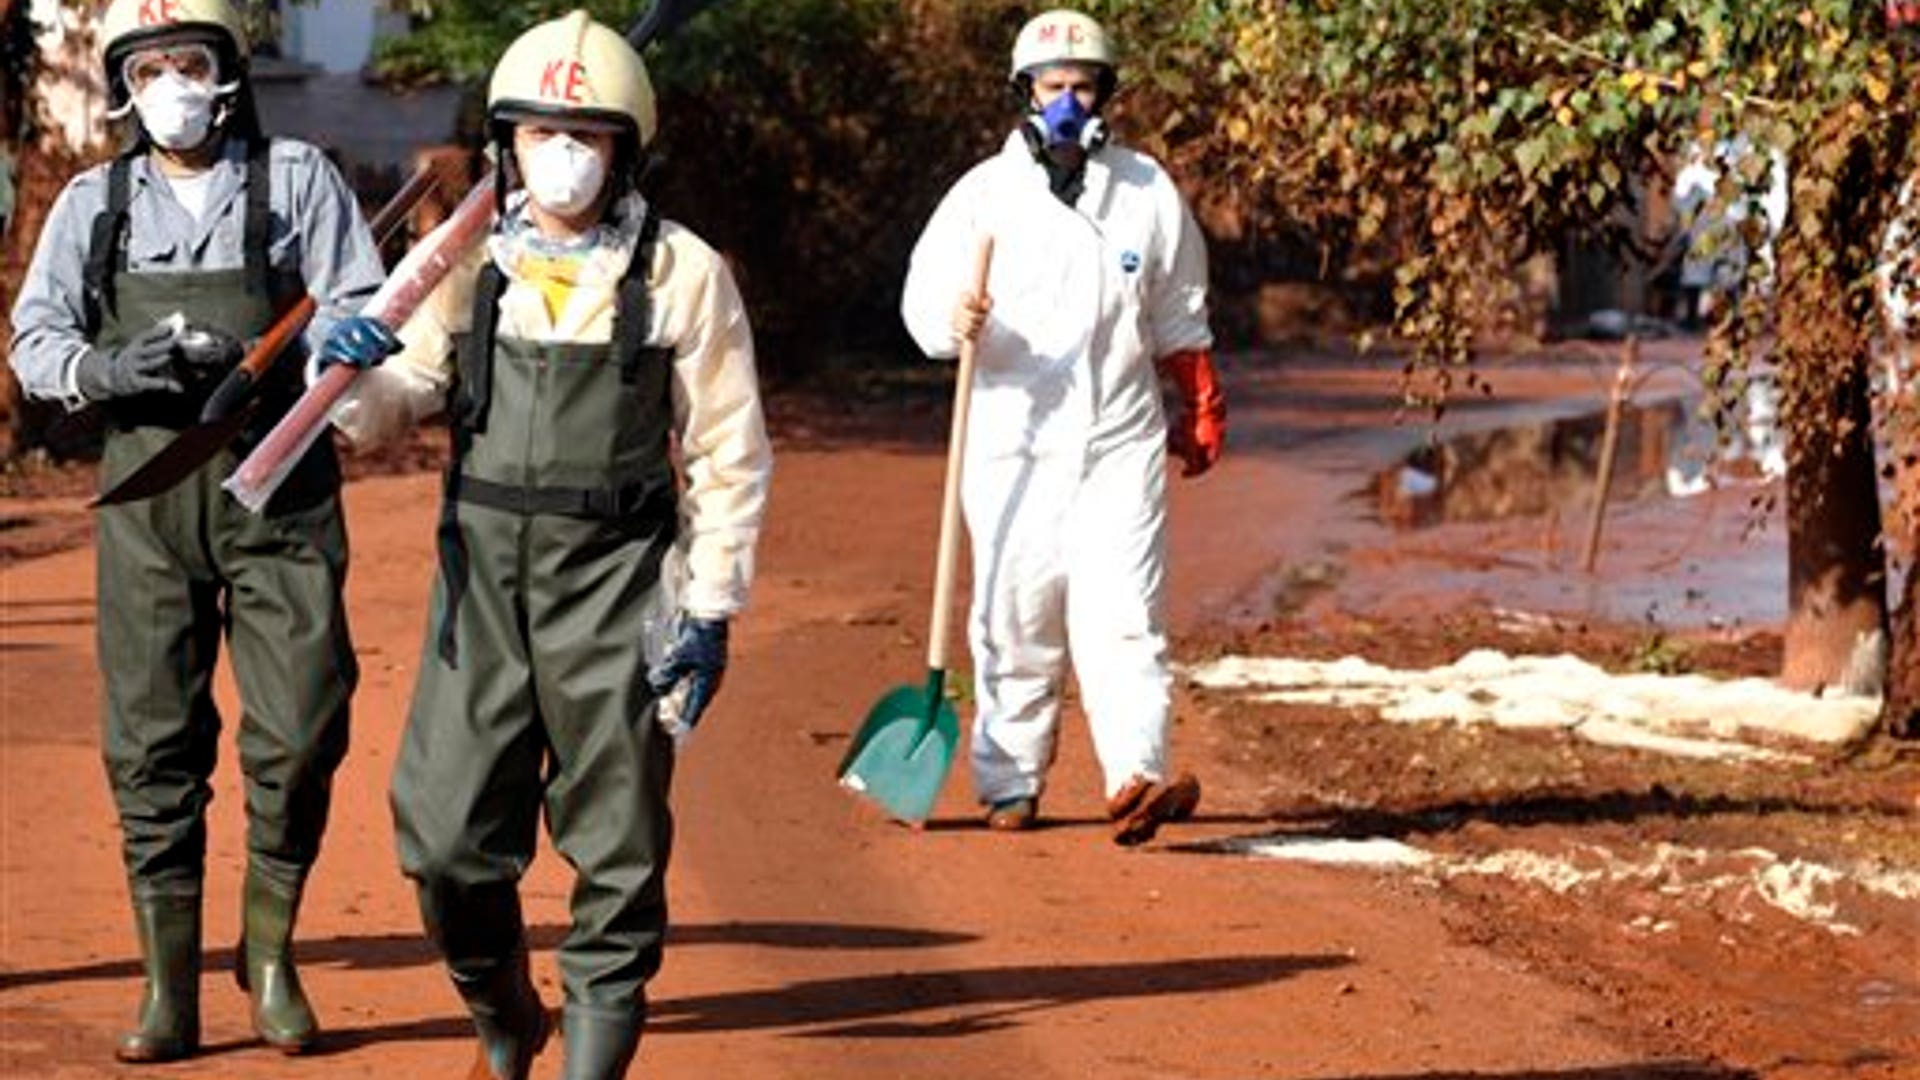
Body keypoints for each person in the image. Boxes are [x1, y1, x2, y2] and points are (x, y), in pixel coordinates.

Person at [316, 11, 771, 1079]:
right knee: (442, 838)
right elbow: (388, 409)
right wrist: (349, 369)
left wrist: (709, 608)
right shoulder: (464, 261)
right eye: (539, 133)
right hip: (480, 587)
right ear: (505, 143)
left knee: (619, 846)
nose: (563, 154)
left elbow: (728, 451)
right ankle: (506, 1010)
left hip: (618, 581)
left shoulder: (681, 271)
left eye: (588, 135)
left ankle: (593, 1053)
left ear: (625, 148)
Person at [6, 0, 382, 1063]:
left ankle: (270, 956)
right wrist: (103, 369)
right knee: (150, 741)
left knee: (303, 726)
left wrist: (332, 348)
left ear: (227, 73)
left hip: (279, 486)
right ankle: (167, 988)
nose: (172, 85)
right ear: (125, 87)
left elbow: (356, 303)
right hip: (148, 495)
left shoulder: (297, 180)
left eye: (190, 61)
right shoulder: (94, 203)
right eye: (150, 67)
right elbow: (34, 337)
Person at [899, 8, 1224, 846]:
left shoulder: (1146, 191)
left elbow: (1180, 312)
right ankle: (1009, 781)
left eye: (1084, 85)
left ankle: (1136, 775)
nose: (1069, 101)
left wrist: (1199, 402)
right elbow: (923, 308)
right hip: (1012, 438)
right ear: (1026, 93)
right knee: (1015, 613)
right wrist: (955, 320)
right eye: (1054, 86)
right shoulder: (983, 195)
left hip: (1119, 434)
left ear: (1106, 93)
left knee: (1125, 611)